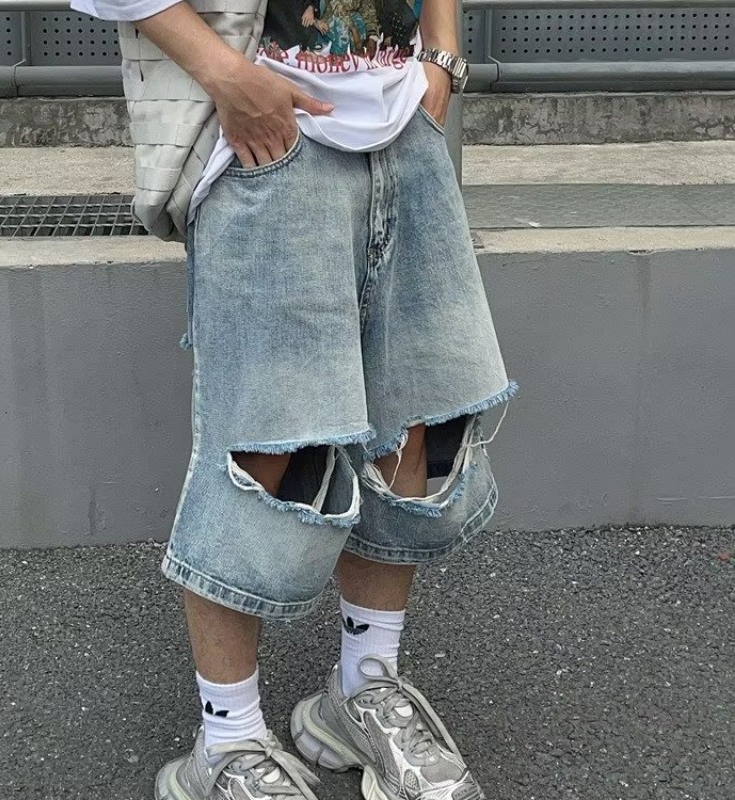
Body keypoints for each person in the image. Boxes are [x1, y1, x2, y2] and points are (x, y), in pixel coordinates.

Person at [70, 1, 517, 798]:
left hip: (406, 126)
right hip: (266, 139)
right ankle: (228, 742)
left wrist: (443, 54)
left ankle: (362, 689)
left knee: (413, 429)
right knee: (264, 454)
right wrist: (226, 75)